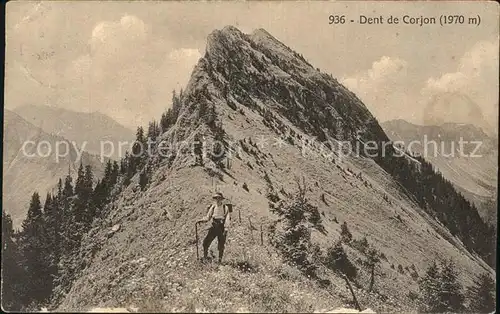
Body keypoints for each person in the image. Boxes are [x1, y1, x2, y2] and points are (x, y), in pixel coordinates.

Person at [198, 192, 232, 262]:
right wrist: (202, 220)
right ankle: (205, 258)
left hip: (221, 227)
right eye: (216, 198)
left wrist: (226, 228)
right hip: (214, 226)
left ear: (221, 199)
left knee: (221, 244)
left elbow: (227, 218)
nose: (218, 199)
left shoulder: (225, 207)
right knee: (205, 242)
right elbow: (208, 217)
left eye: (219, 198)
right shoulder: (213, 207)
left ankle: (220, 260)